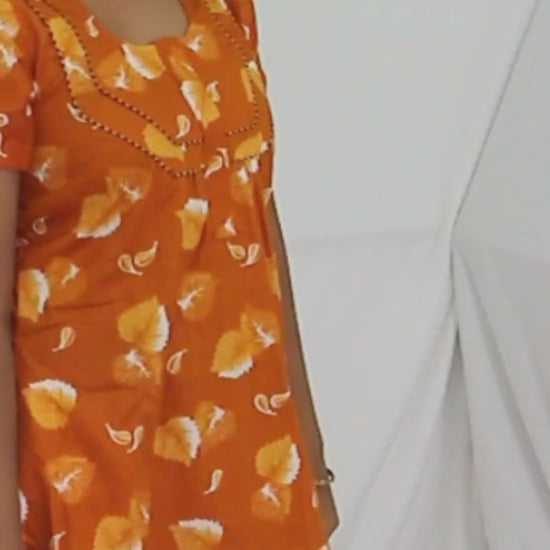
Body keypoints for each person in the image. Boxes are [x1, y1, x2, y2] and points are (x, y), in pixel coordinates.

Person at [0, 0, 339, 548]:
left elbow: (257, 236)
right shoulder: (16, 27)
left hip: (250, 476)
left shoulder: (224, 12)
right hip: (87, 486)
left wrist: (314, 469)